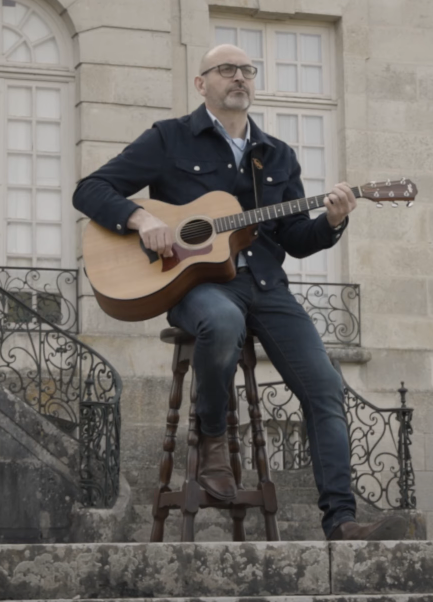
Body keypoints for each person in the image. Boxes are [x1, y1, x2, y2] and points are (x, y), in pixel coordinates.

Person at [73, 44, 410, 541]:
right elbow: (90, 189)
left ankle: (340, 521)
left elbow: (295, 240)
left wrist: (333, 221)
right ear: (201, 83)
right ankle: (213, 437)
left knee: (325, 387)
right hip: (199, 287)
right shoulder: (170, 139)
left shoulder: (276, 155)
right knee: (222, 322)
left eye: (247, 70)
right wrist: (141, 218)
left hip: (268, 287)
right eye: (226, 70)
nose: (239, 78)